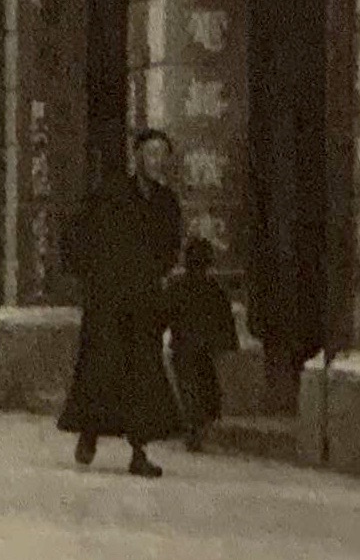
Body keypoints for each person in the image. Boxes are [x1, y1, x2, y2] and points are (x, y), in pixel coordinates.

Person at [58, 128, 186, 477]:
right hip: (108, 302)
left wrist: (156, 276)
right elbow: (78, 232)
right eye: (151, 153)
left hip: (143, 302)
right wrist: (92, 277)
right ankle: (89, 431)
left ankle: (139, 450)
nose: (157, 161)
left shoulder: (165, 203)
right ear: (138, 157)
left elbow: (171, 247)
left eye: (162, 155)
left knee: (143, 374)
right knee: (101, 370)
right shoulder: (112, 195)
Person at [165, 236, 238, 452]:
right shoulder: (214, 289)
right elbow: (225, 320)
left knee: (189, 387)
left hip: (184, 347)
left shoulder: (178, 287)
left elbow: (165, 313)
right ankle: (198, 425)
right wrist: (227, 344)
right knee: (205, 386)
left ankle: (193, 425)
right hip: (205, 348)